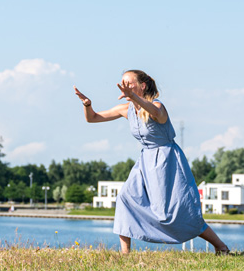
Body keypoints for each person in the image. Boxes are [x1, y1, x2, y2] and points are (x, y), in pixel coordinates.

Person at [74, 70, 229, 255]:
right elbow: (92, 118)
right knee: (125, 197)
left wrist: (134, 97)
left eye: (128, 83)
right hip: (145, 161)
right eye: (122, 83)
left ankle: (221, 246)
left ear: (142, 86)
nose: (124, 87)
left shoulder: (157, 106)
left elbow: (157, 114)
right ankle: (125, 254)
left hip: (168, 161)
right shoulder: (126, 109)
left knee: (178, 211)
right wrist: (87, 104)